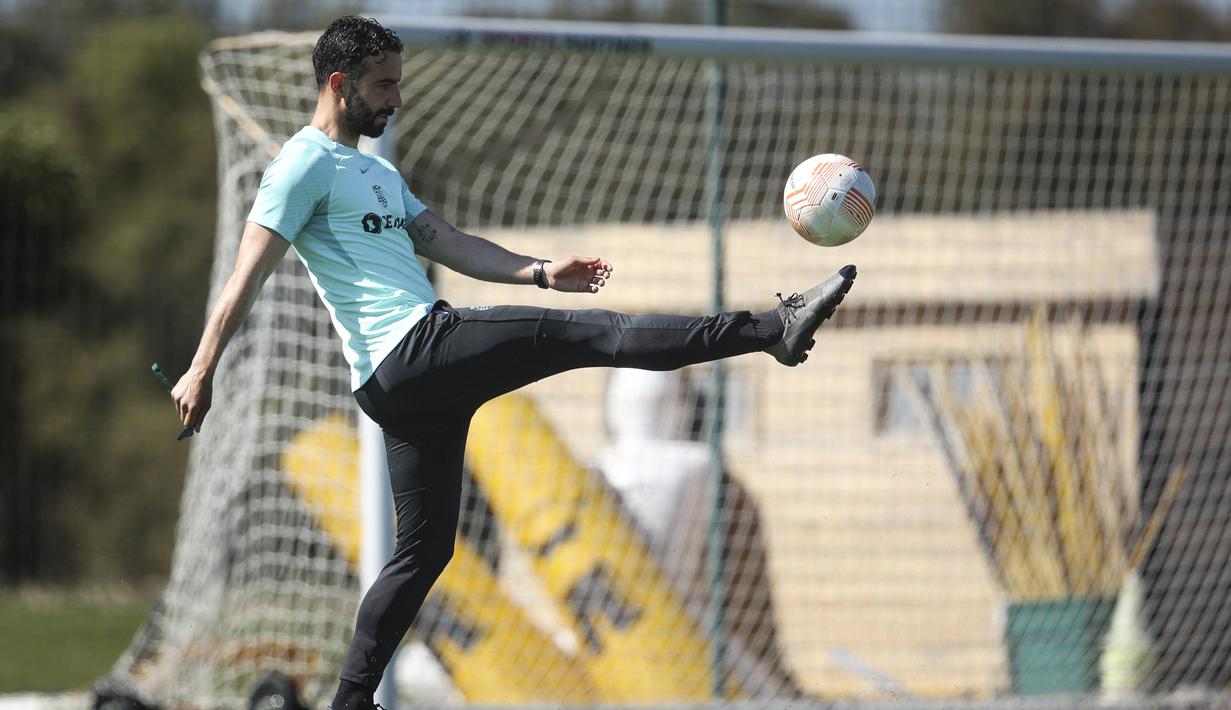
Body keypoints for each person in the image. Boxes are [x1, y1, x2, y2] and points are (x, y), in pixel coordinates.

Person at [170, 15, 857, 710]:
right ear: (340, 84)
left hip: (397, 386)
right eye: (383, 87)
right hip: (412, 349)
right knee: (593, 336)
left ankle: (346, 704)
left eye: (398, 85)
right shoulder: (300, 164)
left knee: (424, 553)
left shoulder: (373, 170)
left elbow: (448, 242)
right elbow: (245, 275)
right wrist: (203, 368)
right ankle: (773, 327)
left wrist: (535, 272)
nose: (395, 100)